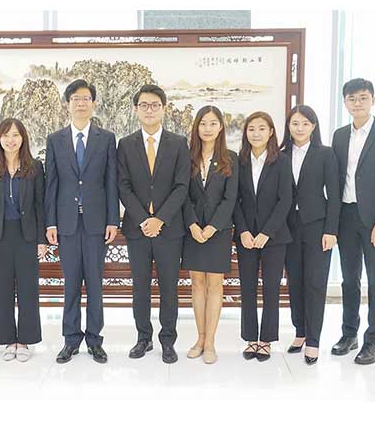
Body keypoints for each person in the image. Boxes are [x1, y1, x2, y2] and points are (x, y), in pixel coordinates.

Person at [44, 79, 119, 364]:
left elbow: (111, 182)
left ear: (93, 104)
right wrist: (50, 222)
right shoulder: (55, 140)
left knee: (95, 285)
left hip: (96, 224)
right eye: (75, 98)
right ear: (68, 104)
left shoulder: (106, 138)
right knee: (71, 284)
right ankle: (70, 340)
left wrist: (113, 219)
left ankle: (95, 340)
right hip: (66, 224)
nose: (81, 103)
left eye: (86, 98)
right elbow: (51, 184)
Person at [330, 78, 375, 365]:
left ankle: (373, 341)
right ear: (345, 103)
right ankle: (349, 334)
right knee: (349, 279)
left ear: (372, 100)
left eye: (362, 97)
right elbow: (336, 180)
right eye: (351, 99)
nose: (357, 103)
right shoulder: (339, 136)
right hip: (346, 217)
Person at [117, 84, 190, 364]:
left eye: (155, 105)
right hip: (137, 230)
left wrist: (159, 219)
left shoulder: (178, 143)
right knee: (141, 287)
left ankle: (168, 340)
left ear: (163, 108)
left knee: (169, 287)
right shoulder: (126, 144)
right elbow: (123, 186)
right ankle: (143, 338)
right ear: (136, 109)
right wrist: (143, 219)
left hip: (169, 229)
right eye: (144, 105)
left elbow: (182, 186)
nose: (150, 110)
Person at [0, 118, 47, 362]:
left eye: (16, 135)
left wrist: (41, 240)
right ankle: (8, 339)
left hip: (27, 235)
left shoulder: (34, 167)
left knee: (28, 289)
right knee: (1, 289)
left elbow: (40, 205)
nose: (11, 140)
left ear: (23, 138)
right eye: (6, 135)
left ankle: (25, 340)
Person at [281, 105, 340, 365]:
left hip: (317, 226)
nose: (300, 128)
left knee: (315, 283)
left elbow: (334, 195)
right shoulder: (281, 154)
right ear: (288, 126)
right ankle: (300, 332)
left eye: (305, 123)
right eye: (295, 123)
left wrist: (331, 230)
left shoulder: (325, 154)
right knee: (294, 281)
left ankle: (314, 340)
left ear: (313, 126)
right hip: (288, 227)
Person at [234, 111, 292, 362]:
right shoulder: (239, 161)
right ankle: (250, 338)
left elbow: (285, 200)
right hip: (246, 237)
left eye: (261, 128)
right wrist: (244, 231)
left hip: (274, 237)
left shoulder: (282, 161)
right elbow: (234, 200)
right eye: (251, 129)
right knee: (247, 288)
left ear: (271, 132)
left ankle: (266, 340)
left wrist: (267, 232)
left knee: (271, 288)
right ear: (246, 133)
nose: (256, 133)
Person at [182, 106, 238, 364]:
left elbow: (230, 198)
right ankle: (200, 338)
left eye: (213, 123)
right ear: (197, 126)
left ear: (220, 127)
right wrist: (193, 224)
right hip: (192, 230)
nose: (207, 128)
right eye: (203, 123)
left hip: (219, 230)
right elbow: (182, 194)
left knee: (215, 285)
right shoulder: (187, 157)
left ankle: (211, 343)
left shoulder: (230, 158)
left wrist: (213, 226)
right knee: (197, 284)